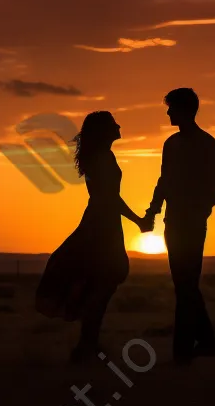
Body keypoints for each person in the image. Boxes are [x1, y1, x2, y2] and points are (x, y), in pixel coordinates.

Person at [36, 111, 146, 362]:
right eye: (113, 124)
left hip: (101, 222)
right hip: (102, 224)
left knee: (102, 282)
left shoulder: (102, 156)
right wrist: (138, 220)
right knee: (104, 282)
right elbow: (109, 198)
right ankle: (86, 346)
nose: (119, 126)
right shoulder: (102, 158)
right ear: (104, 130)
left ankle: (87, 346)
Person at [141, 88, 215, 365]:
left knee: (186, 285)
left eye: (171, 108)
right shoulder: (171, 144)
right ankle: (205, 342)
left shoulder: (207, 144)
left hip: (192, 224)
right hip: (173, 223)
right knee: (184, 285)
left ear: (185, 110)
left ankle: (184, 351)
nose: (168, 113)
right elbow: (164, 180)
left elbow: (213, 189)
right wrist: (153, 210)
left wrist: (198, 213)